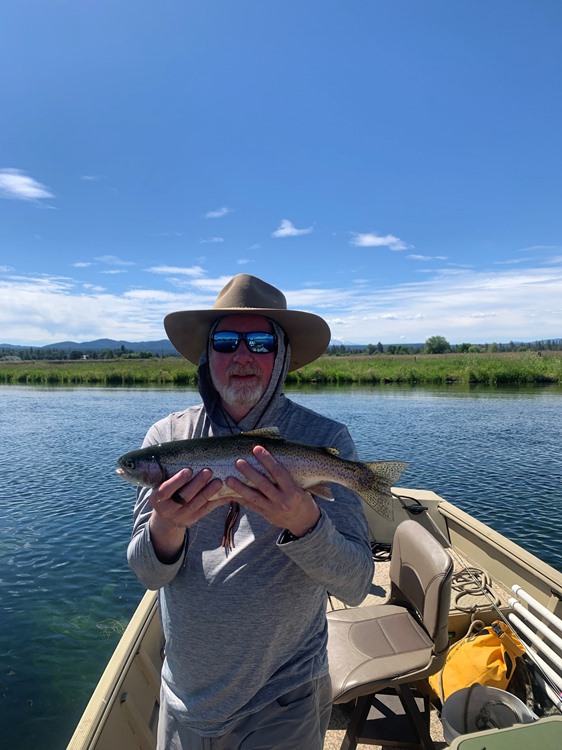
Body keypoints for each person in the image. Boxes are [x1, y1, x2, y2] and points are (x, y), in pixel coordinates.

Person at [127, 274, 374, 750]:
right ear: (207, 354)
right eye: (225, 341)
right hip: (186, 698)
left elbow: (357, 584)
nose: (242, 356)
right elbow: (147, 575)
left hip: (285, 699)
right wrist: (168, 525)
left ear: (281, 356)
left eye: (260, 342)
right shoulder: (166, 439)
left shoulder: (327, 441)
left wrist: (304, 522)